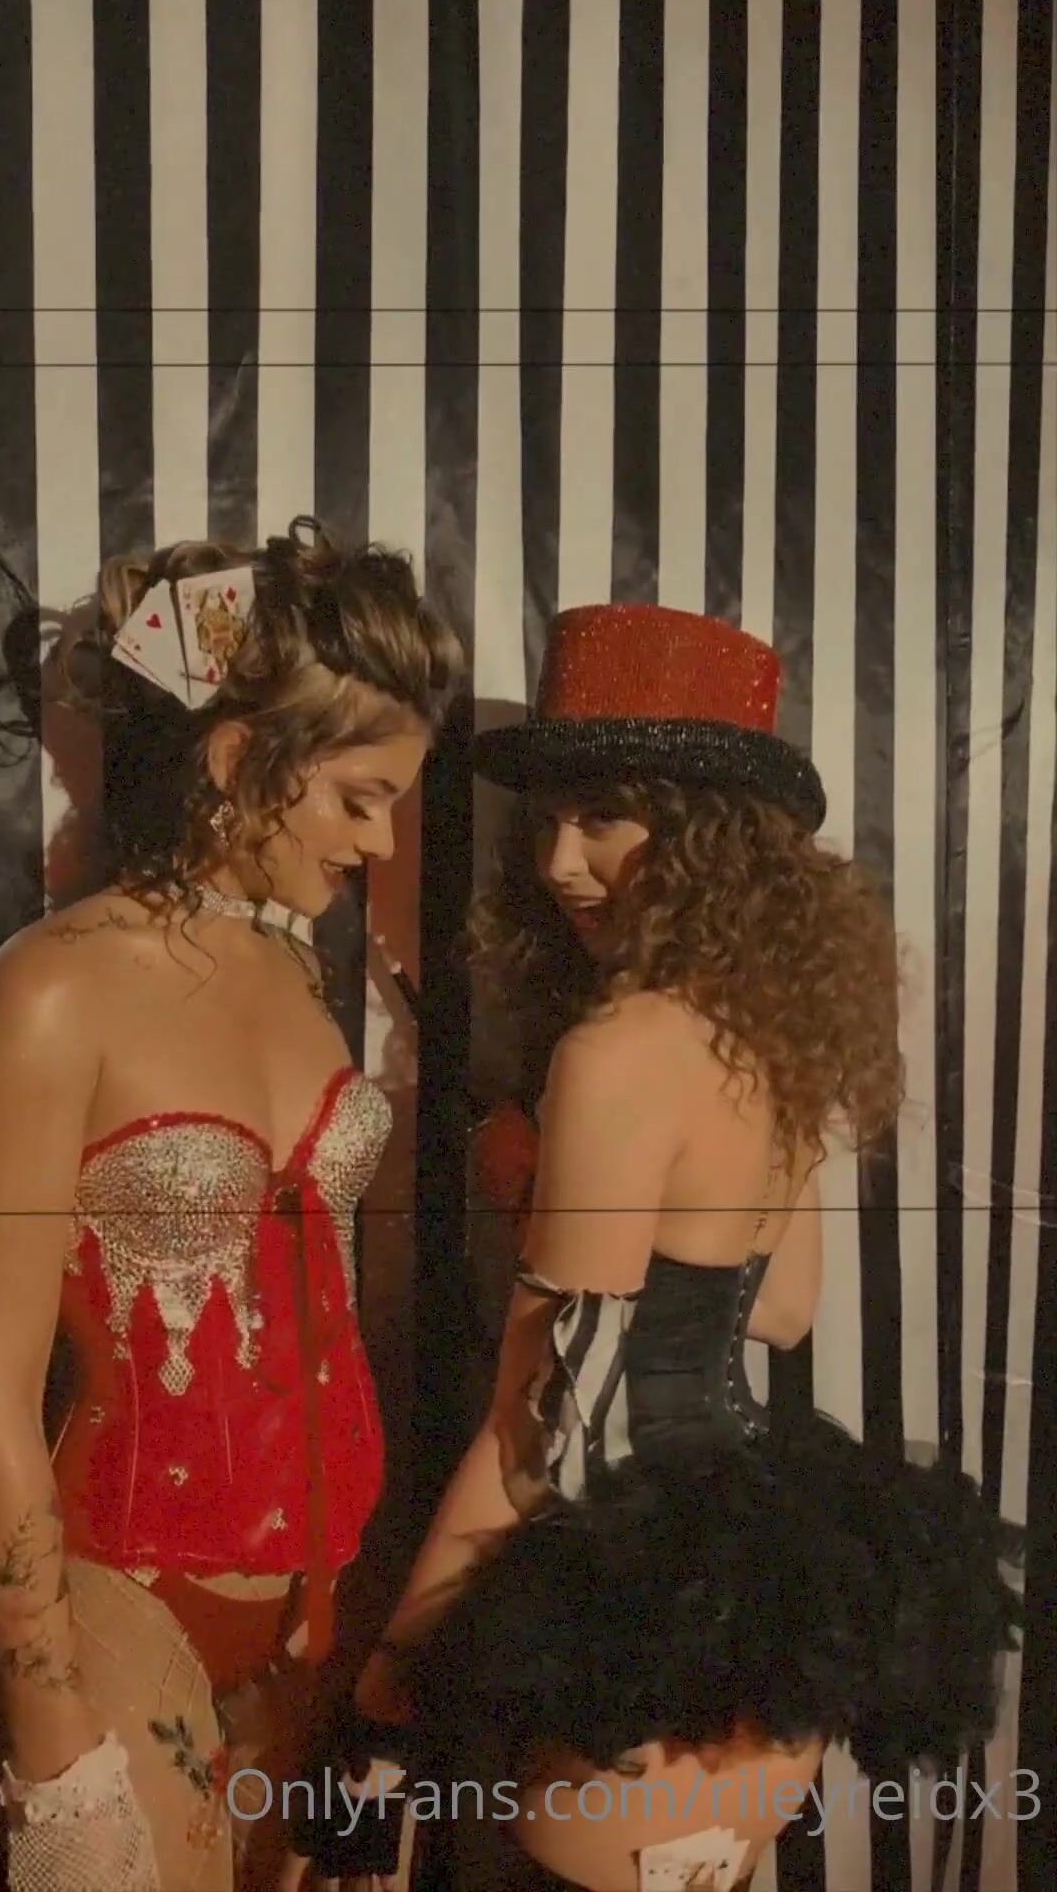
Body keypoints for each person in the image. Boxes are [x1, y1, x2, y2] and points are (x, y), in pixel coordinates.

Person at [284, 604, 1022, 1892]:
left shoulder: (616, 1055)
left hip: (623, 1627)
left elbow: (536, 1432)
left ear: (703, 837)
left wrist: (382, 1709)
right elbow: (780, 1311)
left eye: (604, 819)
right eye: (548, 821)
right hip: (765, 1606)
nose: (560, 863)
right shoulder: (769, 1035)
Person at [0, 518, 463, 1892]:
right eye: (358, 798)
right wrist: (52, 1739)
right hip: (126, 1598)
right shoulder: (50, 989)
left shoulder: (297, 977)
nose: (380, 841)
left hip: (330, 1603)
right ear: (242, 759)